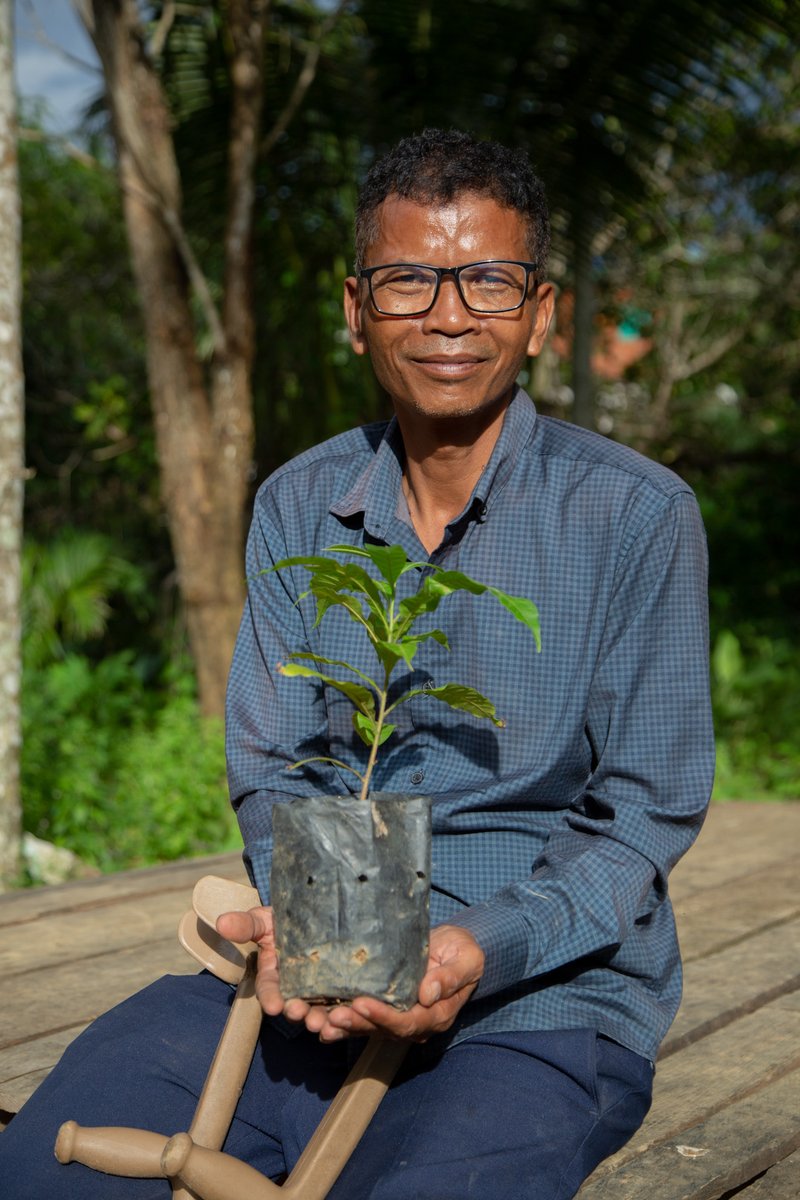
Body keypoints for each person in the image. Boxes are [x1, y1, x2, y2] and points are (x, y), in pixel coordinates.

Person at [1, 129, 714, 1200]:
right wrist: (320, 929)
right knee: (43, 1166)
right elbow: (272, 763)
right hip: (309, 980)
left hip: (535, 1005)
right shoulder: (300, 505)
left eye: (487, 280)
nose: (447, 316)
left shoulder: (633, 516)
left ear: (540, 311)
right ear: (354, 308)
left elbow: (642, 816)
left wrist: (474, 948)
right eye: (407, 281)